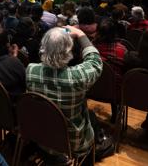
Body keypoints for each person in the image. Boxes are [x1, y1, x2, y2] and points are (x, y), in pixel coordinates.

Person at [26, 26, 102, 159]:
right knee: (92, 117)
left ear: (43, 47)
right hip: (71, 143)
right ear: (69, 50)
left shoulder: (31, 70)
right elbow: (95, 60)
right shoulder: (77, 76)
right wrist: (80, 34)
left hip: (40, 135)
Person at [93, 19, 127, 122]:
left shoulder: (90, 49)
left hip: (92, 88)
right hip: (115, 93)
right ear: (114, 33)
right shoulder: (122, 50)